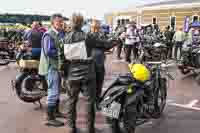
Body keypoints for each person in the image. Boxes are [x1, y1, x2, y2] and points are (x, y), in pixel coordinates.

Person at [63, 14, 116, 133]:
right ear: (82, 23)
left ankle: (71, 127)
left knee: (71, 101)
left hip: (72, 72)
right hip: (87, 72)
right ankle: (90, 129)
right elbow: (105, 45)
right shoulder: (86, 36)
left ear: (72, 23)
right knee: (89, 102)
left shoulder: (66, 37)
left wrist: (65, 73)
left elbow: (63, 57)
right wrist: (117, 40)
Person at [38, 14, 66, 127]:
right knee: (53, 92)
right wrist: (63, 54)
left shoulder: (59, 34)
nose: (61, 23)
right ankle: (49, 118)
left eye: (62, 21)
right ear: (52, 23)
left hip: (57, 67)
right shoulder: (48, 35)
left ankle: (56, 112)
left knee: (57, 90)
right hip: (51, 67)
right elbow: (48, 52)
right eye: (59, 21)